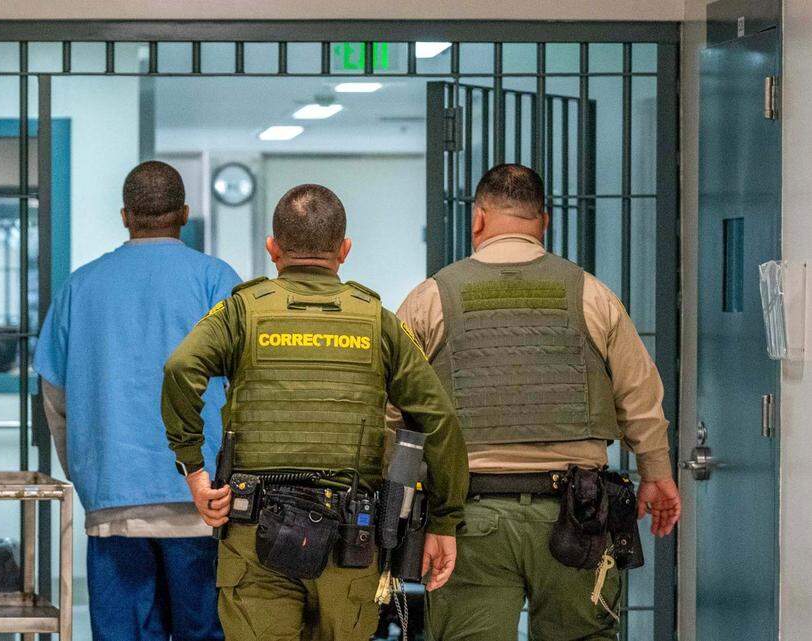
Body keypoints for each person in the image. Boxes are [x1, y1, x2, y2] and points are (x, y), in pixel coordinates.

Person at [161, 183, 469, 641]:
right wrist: (444, 521)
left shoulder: (241, 313)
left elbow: (180, 367)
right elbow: (439, 419)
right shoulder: (377, 321)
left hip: (254, 533)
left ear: (273, 248)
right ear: (344, 250)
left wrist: (195, 471)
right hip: (351, 538)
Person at [396, 164, 682, 641]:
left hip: (469, 518)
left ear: (478, 219)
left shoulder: (431, 299)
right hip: (577, 514)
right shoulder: (592, 294)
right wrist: (657, 472)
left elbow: (392, 407)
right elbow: (640, 394)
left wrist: (396, 501)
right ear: (543, 221)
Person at [34, 160, 240, 641]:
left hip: (114, 504)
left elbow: (54, 396)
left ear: (125, 215)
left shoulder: (80, 287)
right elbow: (246, 387)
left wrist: (86, 469)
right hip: (202, 501)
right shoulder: (216, 280)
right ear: (184, 213)